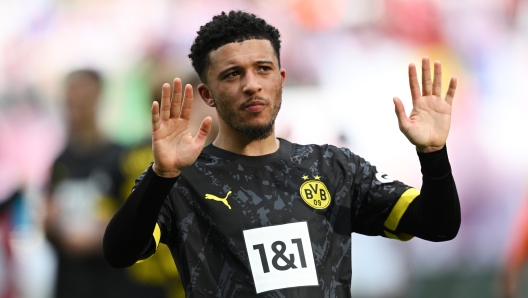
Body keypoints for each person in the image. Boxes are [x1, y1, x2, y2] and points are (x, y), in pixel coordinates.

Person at [103, 11, 461, 297]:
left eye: (263, 69)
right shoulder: (182, 182)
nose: (252, 84)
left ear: (281, 79)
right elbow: (120, 252)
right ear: (208, 95)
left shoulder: (334, 168)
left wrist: (433, 153)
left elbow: (438, 225)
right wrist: (161, 174)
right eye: (232, 74)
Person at [45, 69, 170, 298]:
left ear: (98, 96)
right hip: (70, 281)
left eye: (82, 92)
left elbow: (137, 220)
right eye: (71, 93)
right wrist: (49, 225)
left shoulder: (121, 158)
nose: (75, 100)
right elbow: (48, 220)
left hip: (112, 282)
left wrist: (102, 235)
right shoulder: (59, 162)